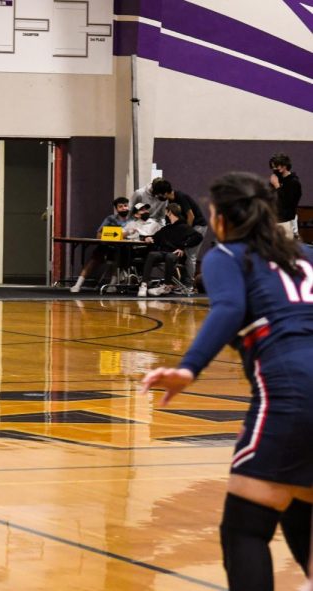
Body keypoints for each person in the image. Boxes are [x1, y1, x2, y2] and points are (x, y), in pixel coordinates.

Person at [141, 172, 313, 591]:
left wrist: (188, 369)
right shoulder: (306, 254)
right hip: (292, 390)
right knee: (298, 498)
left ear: (218, 219)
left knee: (246, 528)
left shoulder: (228, 256)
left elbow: (230, 308)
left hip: (292, 390)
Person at [136, 203, 202, 297]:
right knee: (152, 254)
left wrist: (183, 246)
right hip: (164, 252)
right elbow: (155, 237)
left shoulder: (184, 227)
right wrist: (147, 238)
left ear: (169, 212)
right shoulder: (166, 228)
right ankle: (144, 284)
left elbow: (198, 237)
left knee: (170, 257)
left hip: (175, 254)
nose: (165, 215)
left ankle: (167, 285)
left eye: (166, 212)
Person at [152, 179, 208, 289]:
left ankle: (189, 285)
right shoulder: (170, 201)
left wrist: (186, 234)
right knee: (182, 254)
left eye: (159, 194)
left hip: (198, 226)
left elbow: (191, 216)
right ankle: (181, 282)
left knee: (190, 255)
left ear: (164, 193)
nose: (158, 196)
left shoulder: (180, 197)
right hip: (189, 227)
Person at [69, 196, 131, 293]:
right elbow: (99, 234)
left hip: (123, 248)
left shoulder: (132, 221)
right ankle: (78, 284)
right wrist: (110, 236)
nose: (124, 208)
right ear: (116, 209)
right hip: (107, 246)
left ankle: (112, 284)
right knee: (93, 260)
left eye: (125, 206)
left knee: (119, 258)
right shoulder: (110, 219)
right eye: (120, 206)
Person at [269, 152, 302, 239]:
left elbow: (287, 202)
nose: (274, 169)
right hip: (275, 219)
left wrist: (277, 186)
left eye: (276, 166)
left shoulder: (293, 182)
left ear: (284, 166)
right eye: (272, 167)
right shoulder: (276, 179)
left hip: (287, 220)